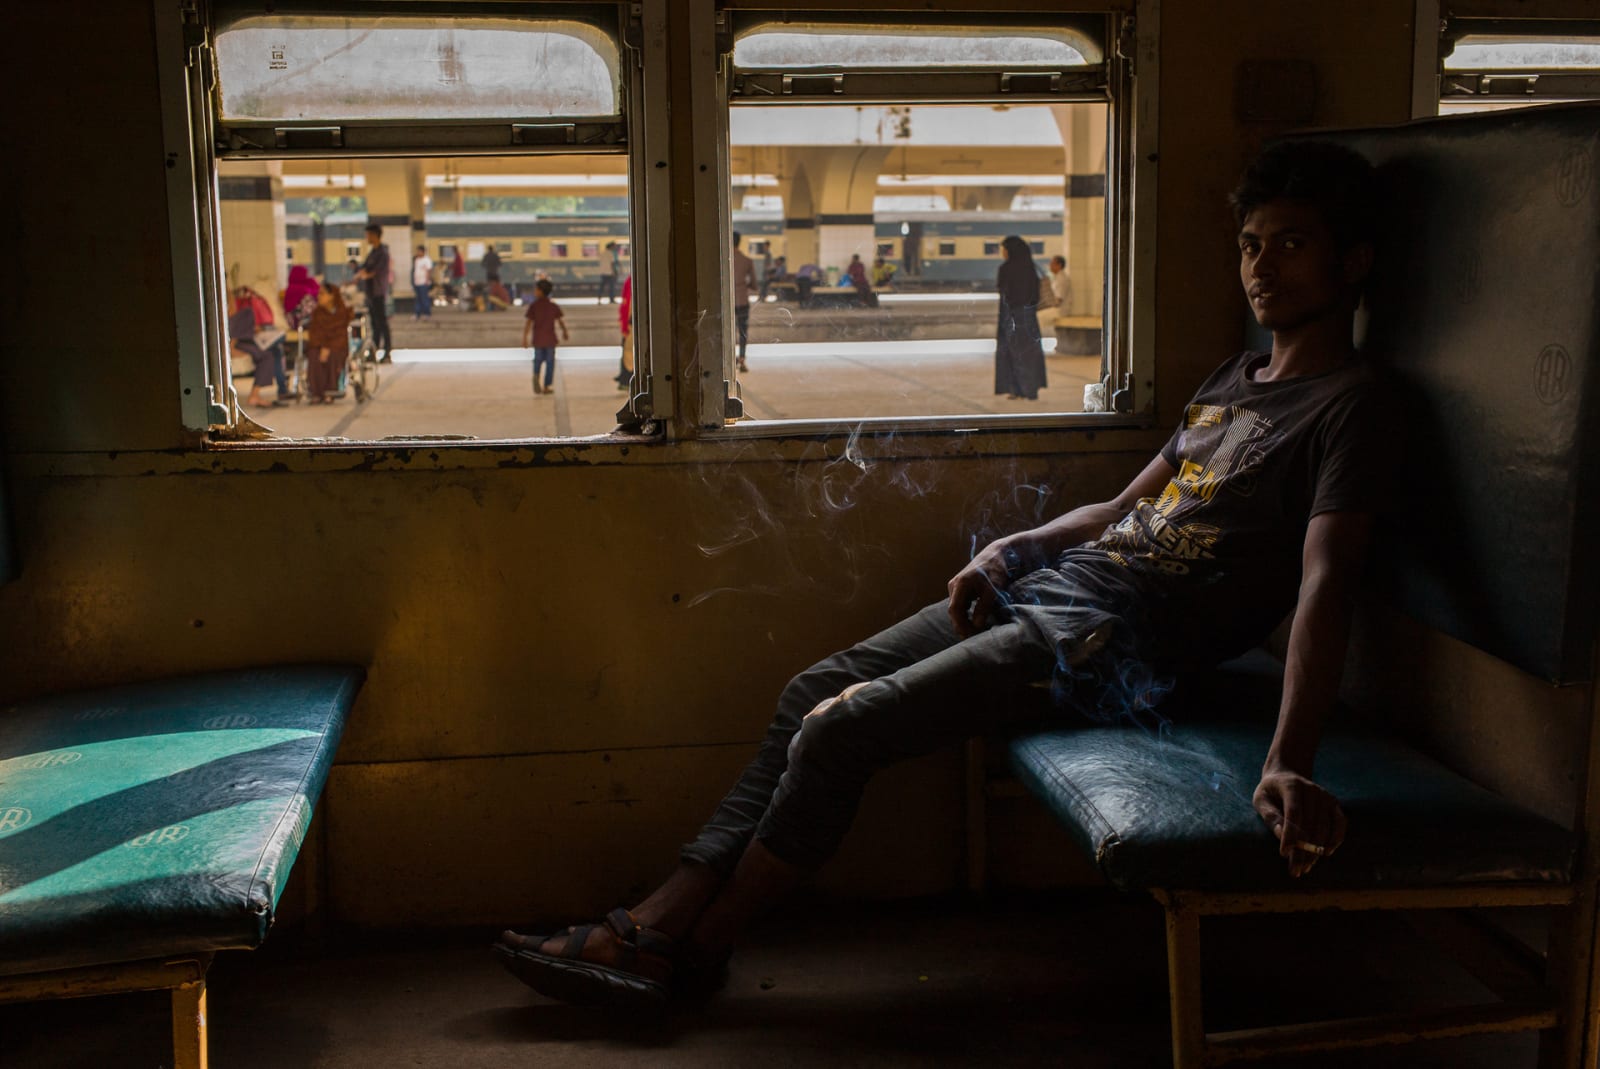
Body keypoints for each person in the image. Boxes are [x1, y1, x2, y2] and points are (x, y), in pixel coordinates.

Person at [495, 140, 1391, 1010]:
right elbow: (1121, 509)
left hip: (1114, 645)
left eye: (1290, 243)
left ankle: (687, 946)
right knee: (818, 683)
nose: (1260, 266)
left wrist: (1287, 760)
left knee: (844, 729)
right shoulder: (1236, 379)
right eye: (1249, 244)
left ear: (1353, 263)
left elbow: (1325, 583)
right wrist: (1014, 547)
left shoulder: (1348, 407)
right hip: (1062, 593)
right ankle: (665, 919)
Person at [994, 235, 1048, 401]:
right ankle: (1031, 389)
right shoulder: (1030, 268)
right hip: (1028, 317)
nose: (1002, 252)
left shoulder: (1005, 269)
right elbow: (1035, 295)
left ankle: (1016, 389)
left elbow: (1004, 292)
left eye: (1004, 249)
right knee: (1030, 353)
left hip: (1011, 316)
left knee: (1011, 353)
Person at [230, 286, 294, 409]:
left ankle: (280, 390)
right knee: (269, 354)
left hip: (243, 339)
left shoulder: (230, 294)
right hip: (235, 341)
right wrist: (232, 345)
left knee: (274, 351)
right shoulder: (224, 294)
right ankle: (260, 394)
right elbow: (230, 321)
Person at [304, 281, 353, 404]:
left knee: (334, 356)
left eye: (322, 294)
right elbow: (314, 333)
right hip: (319, 345)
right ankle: (316, 392)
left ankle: (330, 391)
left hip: (337, 346)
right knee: (314, 355)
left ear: (332, 296)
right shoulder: (317, 313)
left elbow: (341, 335)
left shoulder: (342, 313)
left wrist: (328, 347)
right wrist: (321, 347)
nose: (319, 297)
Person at [523, 278, 569, 396]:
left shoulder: (534, 306)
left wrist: (525, 337)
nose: (534, 291)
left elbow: (528, 323)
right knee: (550, 363)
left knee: (537, 361)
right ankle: (547, 386)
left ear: (540, 291)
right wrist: (565, 332)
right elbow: (560, 321)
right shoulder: (553, 306)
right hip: (550, 340)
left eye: (536, 289)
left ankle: (536, 375)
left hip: (538, 339)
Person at [355, 223, 393, 363]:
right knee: (374, 325)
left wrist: (365, 274)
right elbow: (364, 268)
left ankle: (387, 351)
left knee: (382, 323)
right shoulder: (373, 252)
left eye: (368, 235)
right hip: (370, 293)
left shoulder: (382, 253)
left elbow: (375, 272)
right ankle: (374, 352)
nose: (367, 237)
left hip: (378, 292)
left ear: (375, 235)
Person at [731, 231, 756, 373]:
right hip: (742, 300)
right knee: (742, 331)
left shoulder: (723, 260)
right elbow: (754, 284)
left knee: (728, 331)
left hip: (727, 302)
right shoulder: (747, 261)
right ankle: (742, 359)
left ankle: (729, 358)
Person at [616, 274, 634, 391]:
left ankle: (626, 379)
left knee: (628, 352)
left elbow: (626, 305)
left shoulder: (630, 281)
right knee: (628, 352)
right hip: (631, 324)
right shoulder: (632, 281)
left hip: (630, 324)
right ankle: (626, 379)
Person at [411, 245, 434, 321]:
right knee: (418, 299)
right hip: (417, 282)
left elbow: (429, 270)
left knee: (424, 299)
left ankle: (427, 314)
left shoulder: (427, 260)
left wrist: (427, 280)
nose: (417, 253)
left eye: (419, 251)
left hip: (424, 282)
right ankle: (417, 314)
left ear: (423, 251)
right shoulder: (417, 259)